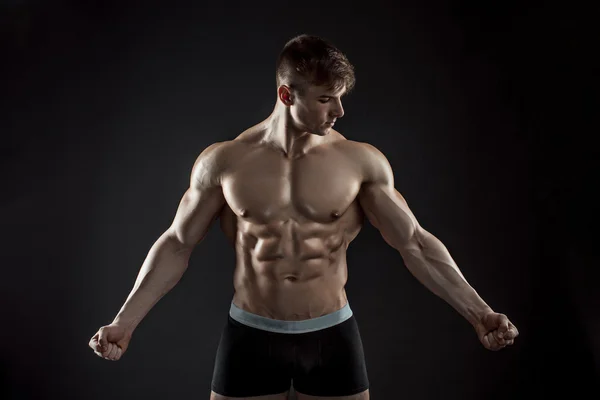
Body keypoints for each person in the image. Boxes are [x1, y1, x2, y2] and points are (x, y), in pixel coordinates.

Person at [88, 34, 519, 400]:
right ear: (286, 94)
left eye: (340, 99)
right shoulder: (224, 162)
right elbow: (177, 244)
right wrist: (124, 323)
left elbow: (416, 244)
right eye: (326, 99)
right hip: (249, 336)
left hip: (332, 337)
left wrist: (480, 314)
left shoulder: (359, 163)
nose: (339, 112)